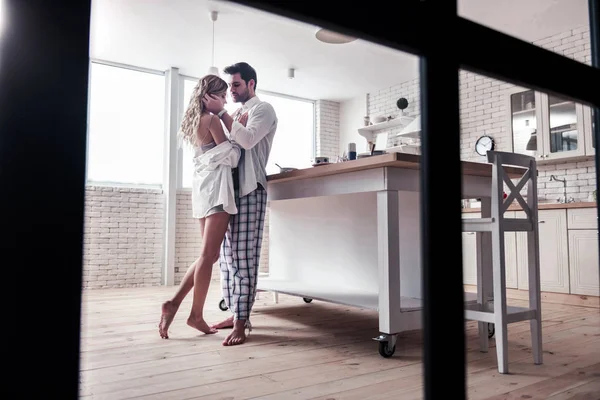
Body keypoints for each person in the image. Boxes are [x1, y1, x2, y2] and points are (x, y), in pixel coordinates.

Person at [158, 74, 241, 339]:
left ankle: (173, 303)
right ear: (212, 96)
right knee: (208, 256)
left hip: (203, 191)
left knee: (210, 255)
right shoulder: (213, 119)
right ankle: (195, 315)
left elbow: (209, 156)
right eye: (223, 95)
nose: (226, 99)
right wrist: (225, 119)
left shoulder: (193, 120)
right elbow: (232, 156)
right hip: (217, 191)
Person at [202, 62, 277, 346]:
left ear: (251, 84)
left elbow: (245, 142)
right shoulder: (236, 114)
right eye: (229, 86)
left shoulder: (263, 109)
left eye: (235, 85)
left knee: (245, 260)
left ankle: (241, 322)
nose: (230, 91)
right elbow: (229, 149)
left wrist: (222, 114)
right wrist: (227, 118)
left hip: (250, 190)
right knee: (227, 259)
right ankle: (234, 313)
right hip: (228, 193)